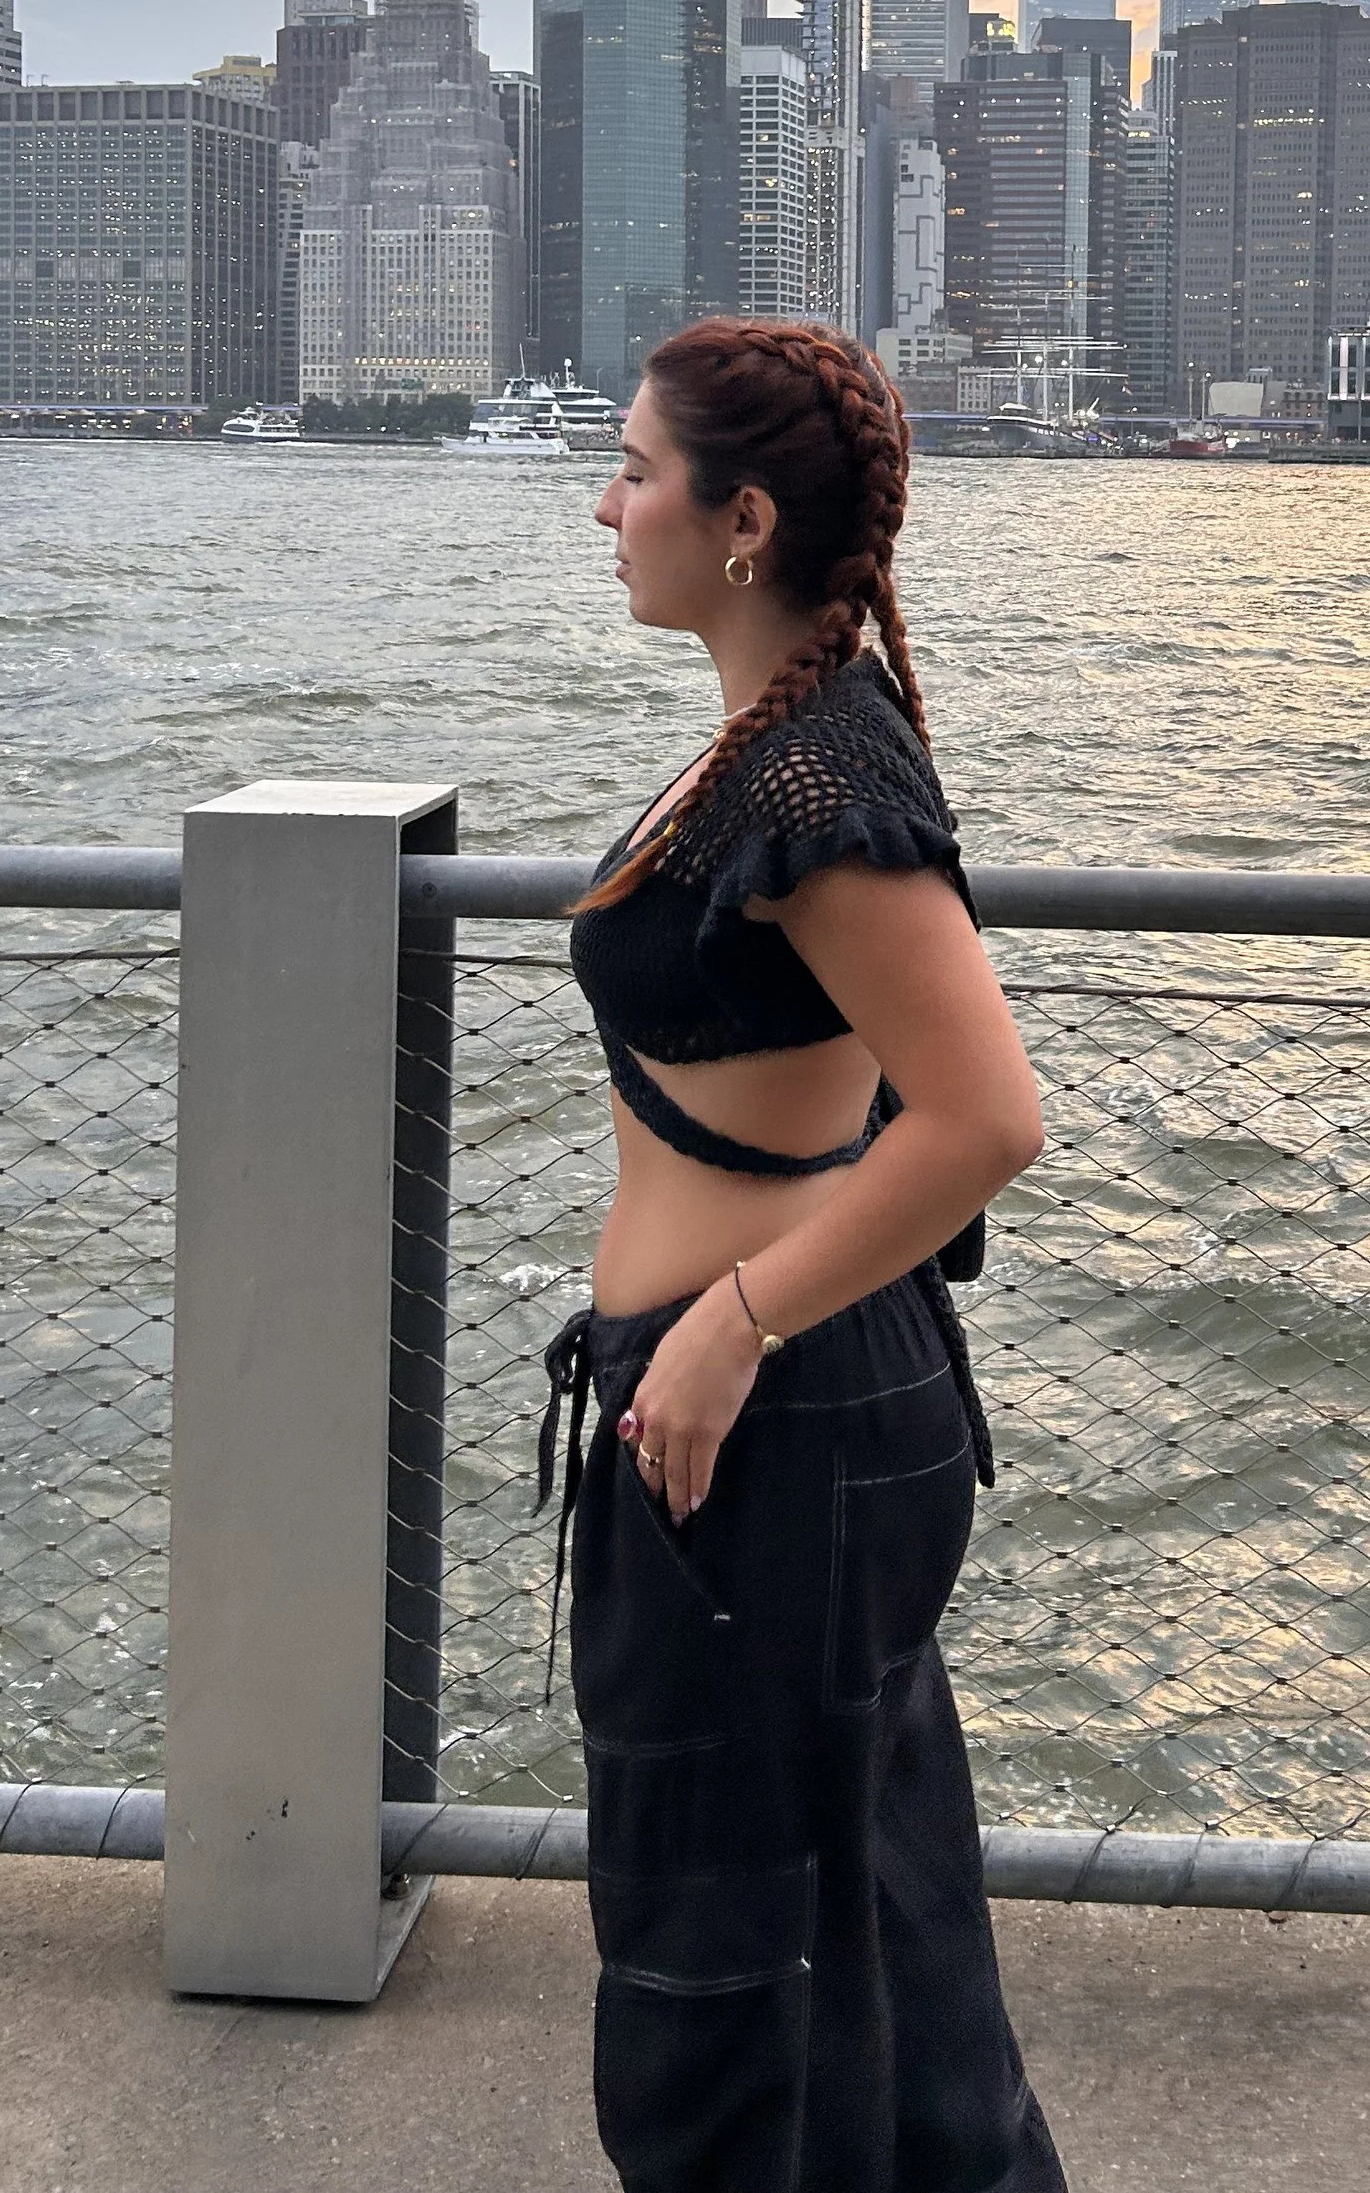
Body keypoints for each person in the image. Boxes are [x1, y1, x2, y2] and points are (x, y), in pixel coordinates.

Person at [538, 315, 1067, 2193]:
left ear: (743, 519)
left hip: (774, 1428)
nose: (605, 507)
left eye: (635, 472)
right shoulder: (786, 740)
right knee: (863, 1915)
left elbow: (984, 1116)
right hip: (781, 1419)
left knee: (732, 1960)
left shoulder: (818, 781)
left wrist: (732, 1324)